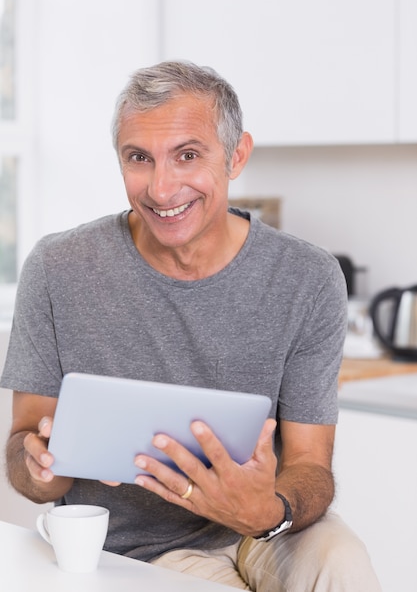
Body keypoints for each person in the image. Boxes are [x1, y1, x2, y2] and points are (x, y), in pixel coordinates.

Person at [0, 61, 381, 591]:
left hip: (268, 526)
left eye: (188, 155)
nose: (161, 187)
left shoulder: (308, 277)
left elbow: (310, 467)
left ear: (237, 155)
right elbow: (24, 455)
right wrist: (40, 465)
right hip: (140, 549)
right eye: (139, 158)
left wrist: (270, 511)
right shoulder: (59, 268)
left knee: (342, 561)